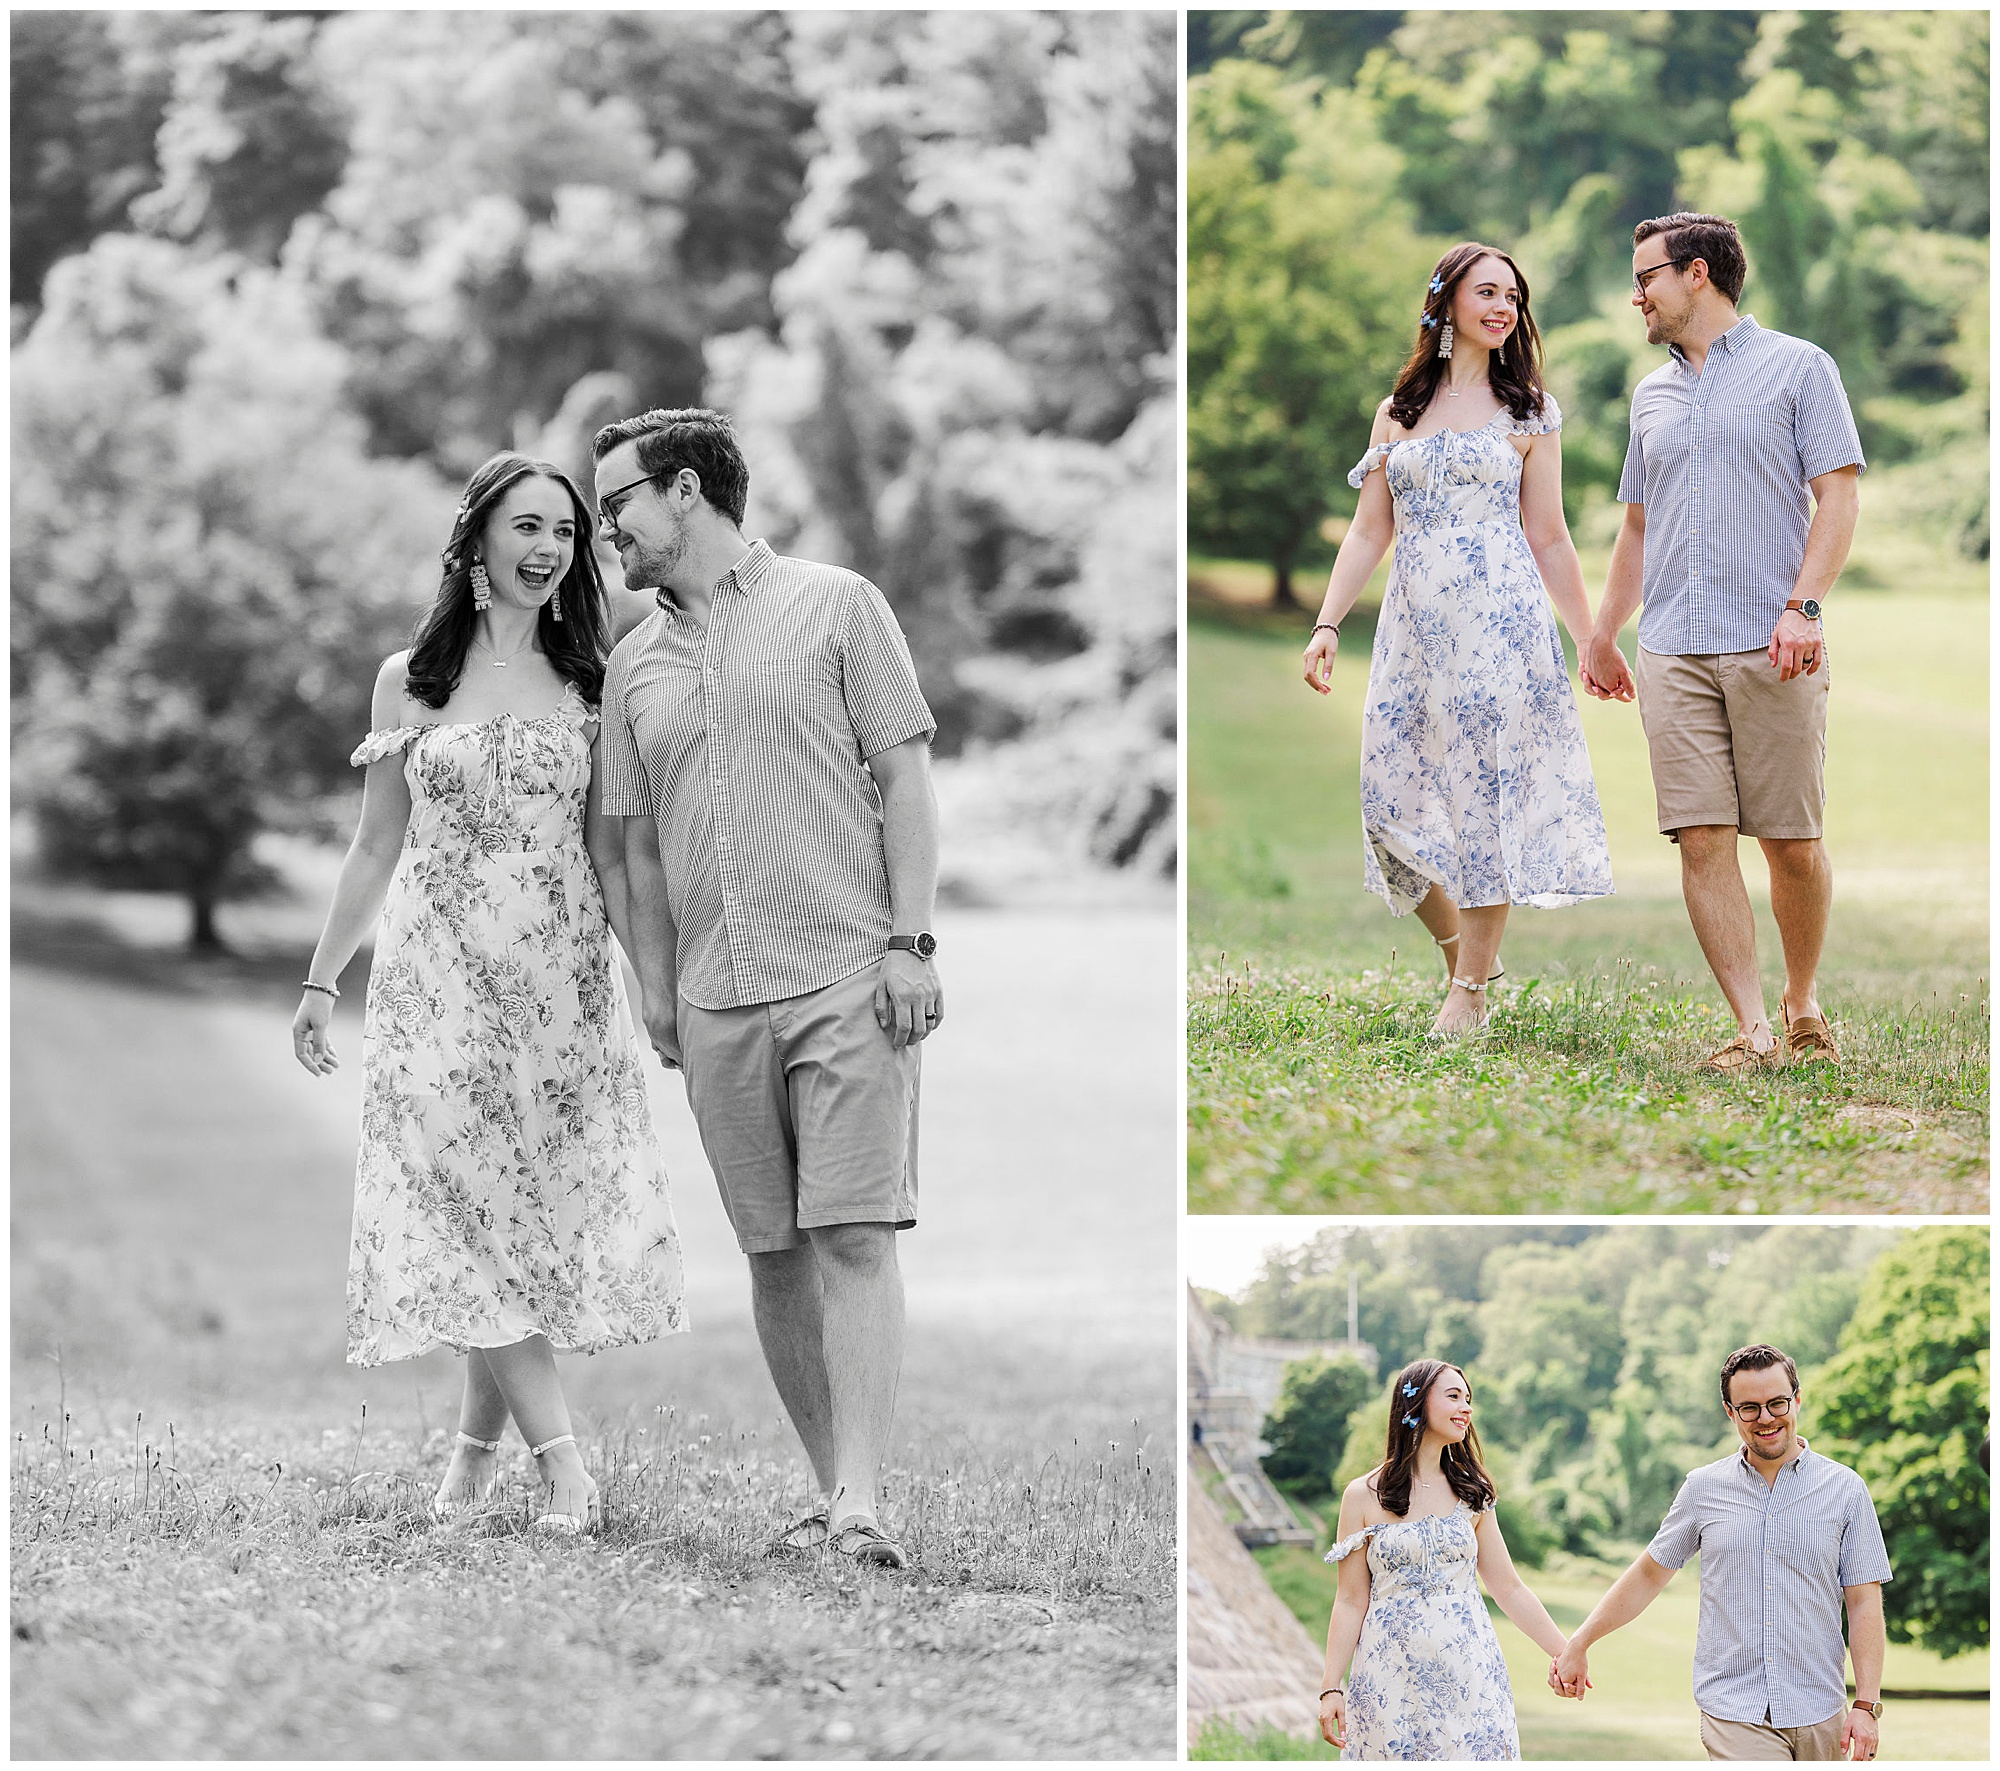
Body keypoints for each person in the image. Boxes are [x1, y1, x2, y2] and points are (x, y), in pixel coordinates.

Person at [292, 451, 687, 1534]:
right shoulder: (408, 682)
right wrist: (323, 980)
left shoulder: (590, 681)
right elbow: (374, 848)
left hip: (557, 988)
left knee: (522, 1225)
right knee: (466, 1210)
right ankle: (564, 1465)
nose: (547, 548)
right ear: (475, 540)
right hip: (435, 989)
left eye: (563, 530)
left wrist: (650, 988)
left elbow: (615, 857)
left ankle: (470, 1458)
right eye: (525, 526)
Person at [592, 407, 941, 1570]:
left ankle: (863, 1505)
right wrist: (654, 987)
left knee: (849, 1235)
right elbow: (634, 847)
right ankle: (830, 1490)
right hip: (713, 1000)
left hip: (848, 974)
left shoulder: (840, 605)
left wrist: (911, 943)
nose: (608, 534)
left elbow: (903, 777)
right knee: (771, 1253)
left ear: (684, 489)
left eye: (618, 506)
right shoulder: (631, 664)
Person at [1303, 243, 1612, 1038]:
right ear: (1445, 303)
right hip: (1413, 632)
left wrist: (1589, 638)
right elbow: (1370, 529)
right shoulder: (1398, 411)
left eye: (1513, 294)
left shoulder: (1529, 410)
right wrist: (1329, 622)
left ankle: (1469, 991)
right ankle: (1462, 961)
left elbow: (1550, 536)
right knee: (1386, 803)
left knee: (1483, 798)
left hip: (1500, 625)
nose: (1503, 306)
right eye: (1486, 291)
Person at [1580, 213, 1863, 1073]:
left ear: (1696, 273)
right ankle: (1752, 1028)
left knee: (1791, 842)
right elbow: (1636, 525)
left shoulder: (1800, 368)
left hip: (1772, 642)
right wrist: (1602, 630)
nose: (1637, 295)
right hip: (1672, 648)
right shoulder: (1649, 394)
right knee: (1700, 838)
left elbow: (1838, 499)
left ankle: (1801, 1000)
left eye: (1646, 278)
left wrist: (1803, 608)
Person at [1550, 1344, 1890, 1762]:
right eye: (1749, 1407)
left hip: (1822, 1709)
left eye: (1776, 1403)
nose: (1765, 1418)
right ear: (1730, 1412)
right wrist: (1579, 1642)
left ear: (1797, 1399)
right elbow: (1649, 1575)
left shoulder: (1846, 1490)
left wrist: (1866, 1705)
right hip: (1735, 1709)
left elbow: (1863, 1601)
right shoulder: (1703, 1489)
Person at [1317, 1360, 1570, 1759]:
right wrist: (1332, 1686)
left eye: (1468, 1399)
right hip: (1389, 1675)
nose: (1466, 1408)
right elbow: (1350, 1600)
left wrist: (1565, 1651)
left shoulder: (1474, 1494)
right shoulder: (1361, 1496)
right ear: (1414, 1406)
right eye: (1453, 1396)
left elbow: (1508, 1587)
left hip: (1470, 1669)